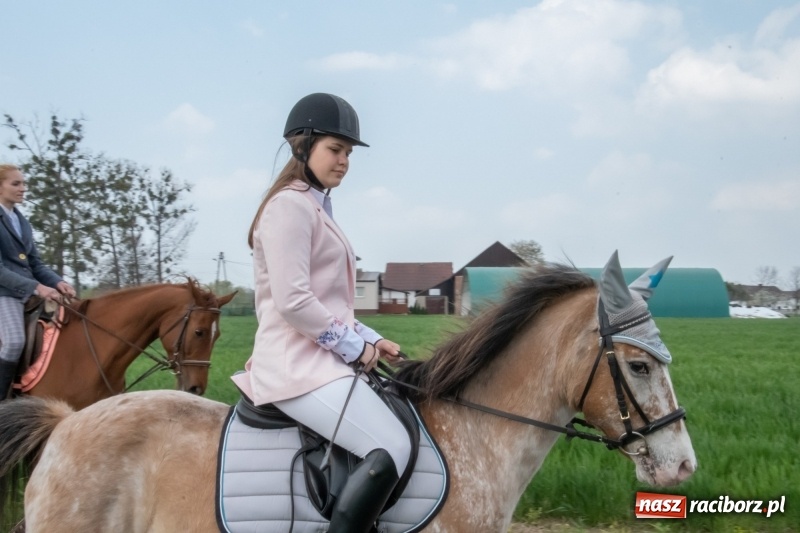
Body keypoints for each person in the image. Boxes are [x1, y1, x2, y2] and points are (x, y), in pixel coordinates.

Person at [231, 93, 411, 532]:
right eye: (335, 148)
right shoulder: (289, 207)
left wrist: (369, 339)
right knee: (390, 447)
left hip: (318, 361)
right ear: (302, 146)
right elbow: (294, 302)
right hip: (293, 365)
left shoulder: (315, 205)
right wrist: (355, 349)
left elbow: (330, 302)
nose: (344, 160)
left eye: (348, 152)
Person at [0, 164, 76, 401]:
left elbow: (35, 264)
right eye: (16, 184)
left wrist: (58, 282)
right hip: (4, 293)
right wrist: (36, 287)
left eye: (24, 183)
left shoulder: (21, 221)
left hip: (27, 292)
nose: (23, 188)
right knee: (14, 342)